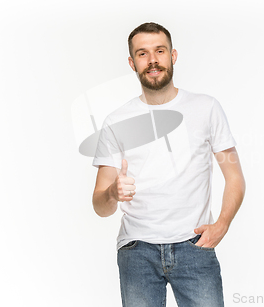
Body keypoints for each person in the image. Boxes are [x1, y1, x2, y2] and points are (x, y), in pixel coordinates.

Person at [91, 22, 245, 307]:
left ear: (173, 55)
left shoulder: (206, 108)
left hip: (194, 245)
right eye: (142, 54)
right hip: (137, 251)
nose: (152, 60)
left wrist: (222, 224)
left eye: (159, 51)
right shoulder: (115, 122)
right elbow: (100, 205)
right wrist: (112, 192)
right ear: (132, 62)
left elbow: (234, 176)